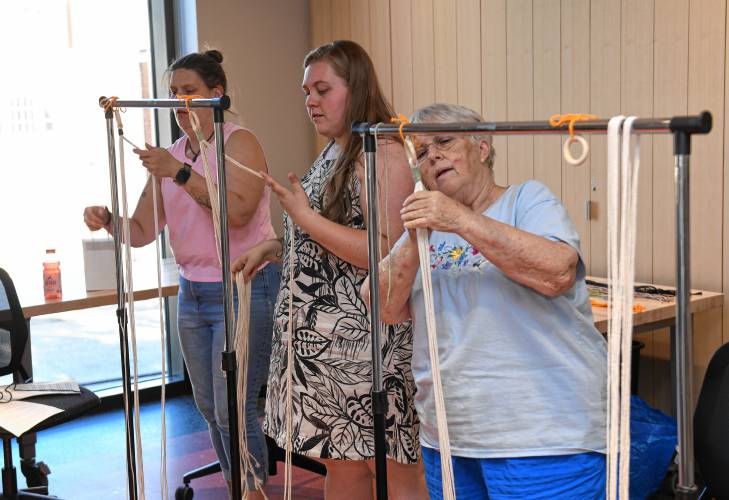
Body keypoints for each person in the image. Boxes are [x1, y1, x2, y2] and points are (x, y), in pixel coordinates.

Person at [363, 103, 608, 499]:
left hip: (542, 438)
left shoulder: (527, 200)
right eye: (422, 153)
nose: (433, 156)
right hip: (450, 438)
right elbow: (382, 306)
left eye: (444, 141)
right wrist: (415, 233)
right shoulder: (426, 231)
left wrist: (459, 219)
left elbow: (558, 272)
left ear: (481, 148)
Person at [232, 40, 427, 499]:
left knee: (394, 472)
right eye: (306, 92)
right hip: (330, 357)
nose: (310, 102)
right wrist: (277, 246)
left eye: (322, 89)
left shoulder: (382, 153)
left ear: (355, 88)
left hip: (366, 352)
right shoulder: (340, 148)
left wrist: (304, 220)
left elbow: (388, 251)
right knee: (344, 468)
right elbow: (333, 242)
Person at [83, 50, 280, 499]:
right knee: (210, 407)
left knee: (234, 408)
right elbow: (139, 231)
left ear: (217, 94)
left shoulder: (239, 141)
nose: (179, 102)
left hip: (244, 288)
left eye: (189, 91)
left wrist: (179, 173)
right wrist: (108, 219)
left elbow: (239, 210)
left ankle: (254, 491)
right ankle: (239, 489)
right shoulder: (169, 157)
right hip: (193, 292)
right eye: (174, 93)